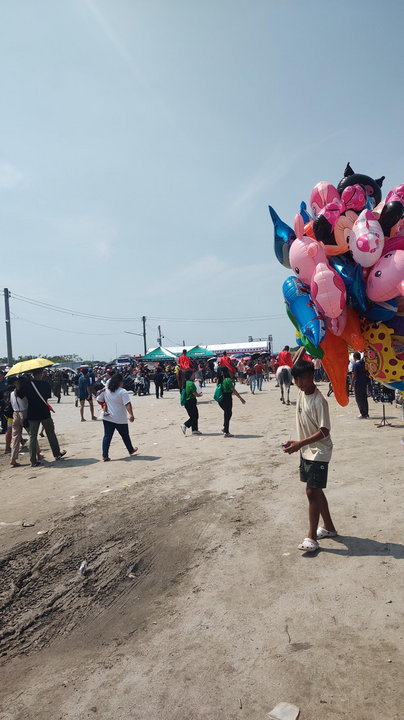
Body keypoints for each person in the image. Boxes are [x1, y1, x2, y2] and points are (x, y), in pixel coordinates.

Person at [283, 360, 336, 553]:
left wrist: (300, 444)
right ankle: (329, 527)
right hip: (306, 449)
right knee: (317, 491)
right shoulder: (300, 393)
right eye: (296, 379)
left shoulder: (319, 400)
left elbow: (324, 431)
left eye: (302, 378)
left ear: (312, 376)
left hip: (319, 451)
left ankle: (312, 536)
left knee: (311, 491)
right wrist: (294, 443)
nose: (299, 382)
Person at [23, 369, 66, 467]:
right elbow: (47, 397)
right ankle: (57, 454)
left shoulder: (27, 385)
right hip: (44, 412)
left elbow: (21, 395)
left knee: (33, 437)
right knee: (51, 433)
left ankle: (33, 460)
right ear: (41, 374)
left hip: (32, 413)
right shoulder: (45, 384)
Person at [96, 372, 138, 461]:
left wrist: (104, 405)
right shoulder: (123, 391)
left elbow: (99, 399)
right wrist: (131, 414)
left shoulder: (106, 390)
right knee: (125, 435)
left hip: (107, 417)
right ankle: (130, 450)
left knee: (107, 436)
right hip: (120, 418)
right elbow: (127, 404)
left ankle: (105, 455)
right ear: (119, 382)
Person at [216, 366, 246, 437]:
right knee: (228, 413)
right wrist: (240, 398)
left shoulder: (219, 380)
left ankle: (225, 428)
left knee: (227, 413)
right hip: (227, 398)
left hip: (220, 399)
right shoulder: (228, 380)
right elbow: (233, 390)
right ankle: (226, 431)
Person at [180, 369, 202, 436]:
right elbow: (194, 393)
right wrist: (199, 395)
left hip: (187, 402)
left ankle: (194, 430)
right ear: (190, 375)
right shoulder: (191, 383)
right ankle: (185, 425)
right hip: (191, 401)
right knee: (194, 416)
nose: (194, 375)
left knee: (194, 415)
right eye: (193, 374)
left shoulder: (186, 382)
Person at [351, 351, 369, 419]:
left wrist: (351, 384)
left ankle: (363, 413)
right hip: (364, 383)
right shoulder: (363, 363)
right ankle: (366, 413)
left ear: (354, 357)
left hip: (358, 383)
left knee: (359, 399)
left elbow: (354, 375)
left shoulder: (355, 365)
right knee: (364, 398)